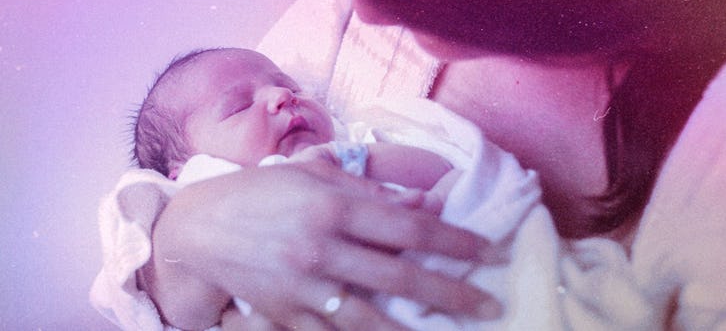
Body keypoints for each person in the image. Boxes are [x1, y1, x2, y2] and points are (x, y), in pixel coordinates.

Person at [95, 0, 726, 330]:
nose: (369, 12)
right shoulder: (338, 11)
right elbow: (130, 250)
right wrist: (190, 231)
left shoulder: (723, 116)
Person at [91, 47, 546, 330]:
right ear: (181, 169)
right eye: (237, 107)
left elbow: (448, 172)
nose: (281, 97)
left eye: (286, 86)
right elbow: (145, 294)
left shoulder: (364, 138)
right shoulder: (186, 194)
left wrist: (356, 163)